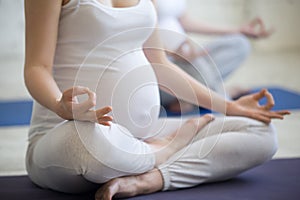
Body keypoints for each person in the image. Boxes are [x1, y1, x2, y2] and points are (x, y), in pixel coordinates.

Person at [24, 0, 289, 200]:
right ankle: (164, 151)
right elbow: (37, 67)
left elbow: (161, 65)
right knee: (85, 144)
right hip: (68, 136)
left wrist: (230, 106)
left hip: (142, 134)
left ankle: (151, 178)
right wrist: (60, 104)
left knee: (262, 134)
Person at [156, 0, 274, 113]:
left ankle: (191, 97)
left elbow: (184, 21)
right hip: (159, 70)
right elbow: (141, 35)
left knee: (240, 44)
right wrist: (171, 53)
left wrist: (237, 30)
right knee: (198, 66)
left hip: (186, 58)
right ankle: (226, 100)